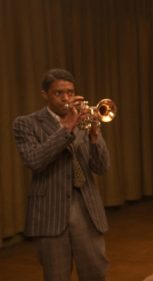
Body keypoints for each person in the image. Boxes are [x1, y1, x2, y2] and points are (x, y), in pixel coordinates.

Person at [13, 68, 110, 280]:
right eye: (58, 93)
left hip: (86, 208)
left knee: (96, 272)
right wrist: (65, 129)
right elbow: (35, 161)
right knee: (56, 275)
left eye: (70, 92)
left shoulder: (84, 120)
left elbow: (102, 167)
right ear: (44, 95)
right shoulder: (26, 124)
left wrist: (95, 137)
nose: (66, 98)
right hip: (50, 210)